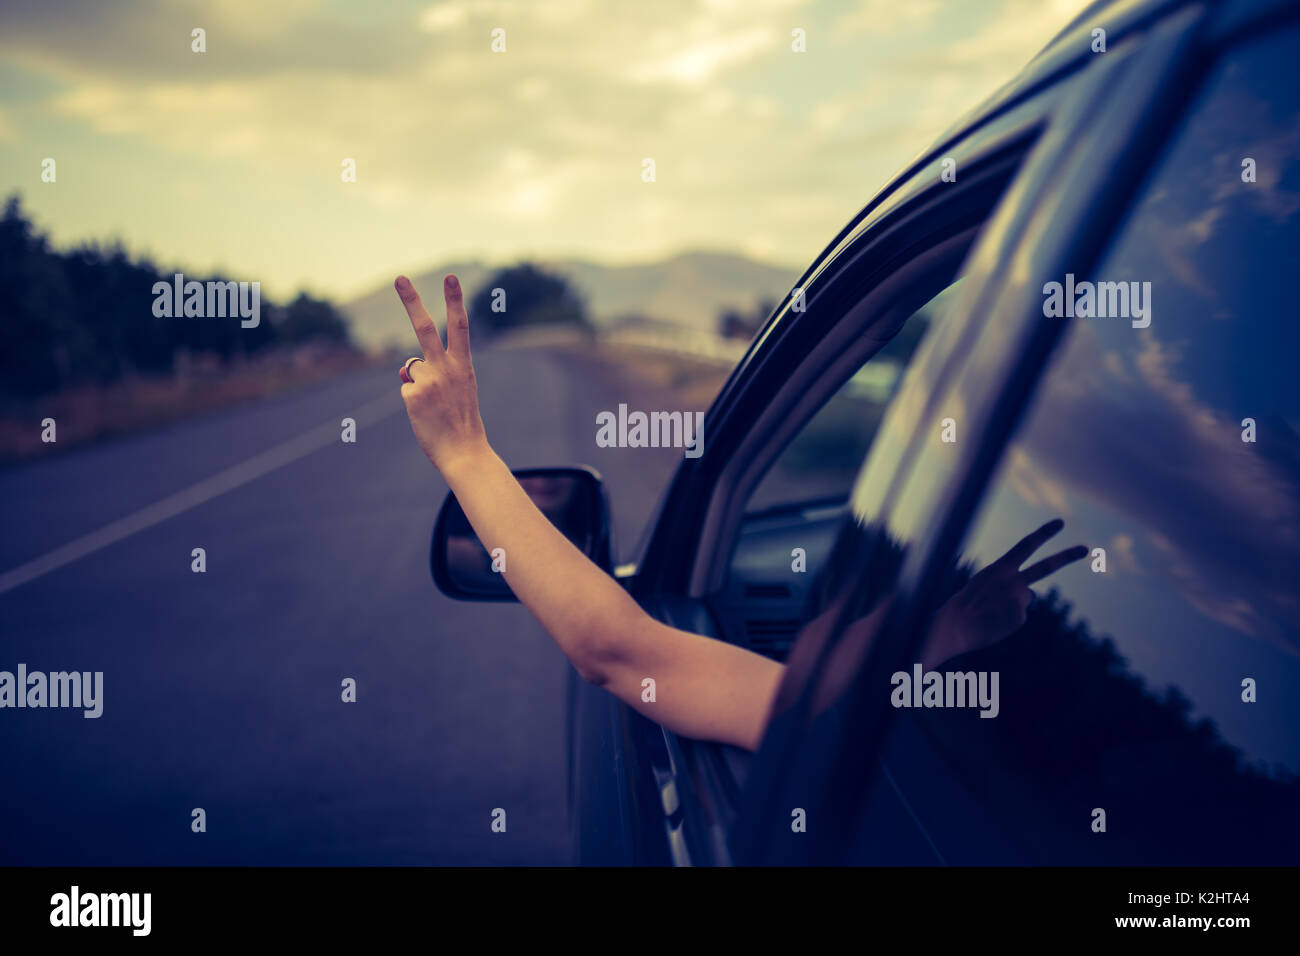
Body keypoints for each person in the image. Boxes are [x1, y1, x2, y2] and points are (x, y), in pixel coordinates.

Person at [394, 274, 1087, 752]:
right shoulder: (1076, 734)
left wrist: (468, 457)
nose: (813, 644)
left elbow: (616, 651)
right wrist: (956, 624)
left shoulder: (876, 718)